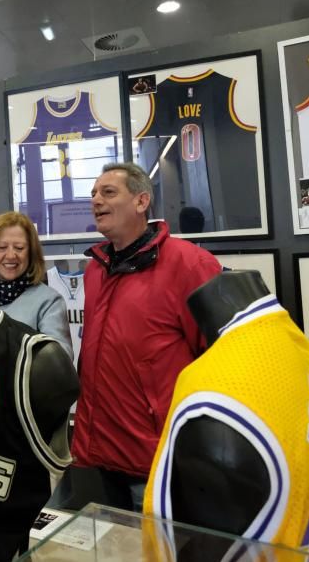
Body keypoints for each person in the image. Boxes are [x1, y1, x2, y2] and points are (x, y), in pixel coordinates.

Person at [71, 162, 221, 510]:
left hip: (159, 458)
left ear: (141, 202)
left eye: (108, 192)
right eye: (93, 193)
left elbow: (219, 358)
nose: (96, 200)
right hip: (104, 451)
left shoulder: (190, 265)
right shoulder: (96, 268)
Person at [0, 211, 74, 359]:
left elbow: (60, 359)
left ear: (31, 253)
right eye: (2, 247)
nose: (10, 255)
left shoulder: (49, 301)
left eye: (19, 248)